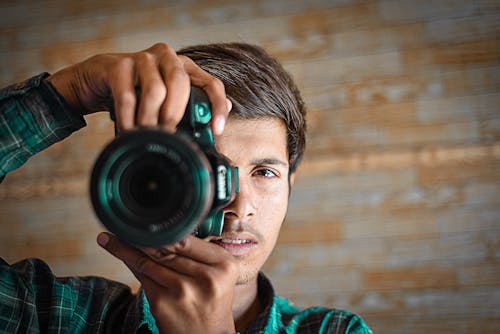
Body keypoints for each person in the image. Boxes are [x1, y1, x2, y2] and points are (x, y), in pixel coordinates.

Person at [0, 42, 372, 333]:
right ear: (155, 180)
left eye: (264, 173)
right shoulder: (57, 316)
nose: (239, 206)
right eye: (211, 171)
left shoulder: (335, 330)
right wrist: (68, 92)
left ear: (290, 185)